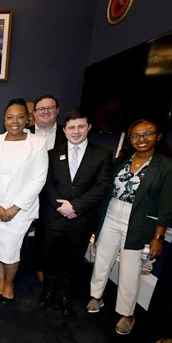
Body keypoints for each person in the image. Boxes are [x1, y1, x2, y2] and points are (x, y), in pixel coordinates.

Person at [88, 119, 172, 335]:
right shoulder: (121, 161)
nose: (141, 139)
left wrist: (158, 237)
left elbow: (167, 206)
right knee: (102, 258)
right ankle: (96, 296)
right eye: (136, 135)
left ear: (158, 136)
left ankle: (127, 313)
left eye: (147, 134)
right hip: (111, 213)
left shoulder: (167, 166)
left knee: (130, 268)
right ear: (130, 140)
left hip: (138, 221)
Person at [39, 110, 113, 316]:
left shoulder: (102, 154)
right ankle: (48, 291)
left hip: (81, 219)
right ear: (65, 130)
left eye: (81, 126)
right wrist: (60, 206)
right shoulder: (52, 154)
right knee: (50, 257)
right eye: (71, 127)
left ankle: (65, 295)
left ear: (88, 127)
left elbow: (102, 187)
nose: (76, 131)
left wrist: (75, 206)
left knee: (73, 259)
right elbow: (45, 182)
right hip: (53, 217)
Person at [0, 98, 48, 304]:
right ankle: (0, 279)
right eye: (10, 117)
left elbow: (39, 178)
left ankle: (9, 283)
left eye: (19, 116)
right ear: (4, 120)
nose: (14, 121)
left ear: (28, 119)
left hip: (20, 210)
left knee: (11, 248)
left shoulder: (37, 143)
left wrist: (14, 208)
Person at [26, 95, 67, 284]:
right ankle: (23, 266)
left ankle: (44, 269)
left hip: (55, 194)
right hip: (26, 192)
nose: (46, 112)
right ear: (34, 114)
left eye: (50, 108)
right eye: (41, 109)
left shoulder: (67, 135)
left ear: (57, 111)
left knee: (46, 233)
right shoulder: (24, 134)